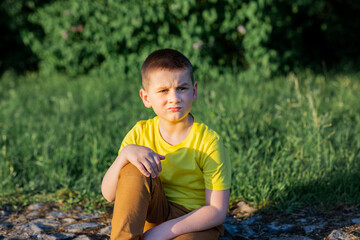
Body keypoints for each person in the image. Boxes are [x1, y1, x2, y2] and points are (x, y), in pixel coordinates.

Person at [101, 49, 231, 240]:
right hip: (154, 211)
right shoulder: (139, 134)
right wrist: (124, 155)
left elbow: (217, 210)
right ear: (146, 98)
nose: (174, 98)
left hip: (194, 222)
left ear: (194, 91)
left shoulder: (209, 142)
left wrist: (162, 231)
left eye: (182, 88)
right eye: (163, 91)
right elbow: (109, 194)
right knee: (132, 166)